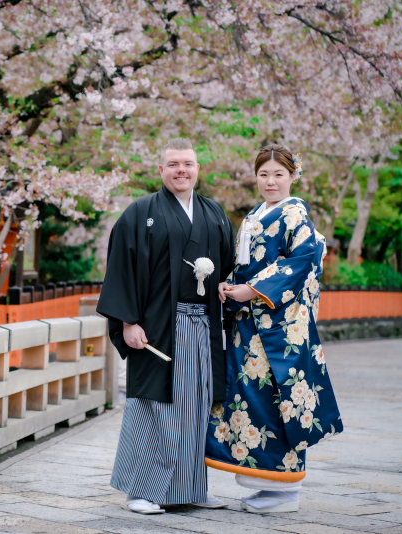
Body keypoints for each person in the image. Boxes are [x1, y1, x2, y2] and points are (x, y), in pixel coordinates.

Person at [97, 138, 235, 513]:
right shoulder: (140, 213)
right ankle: (140, 490)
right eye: (173, 164)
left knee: (197, 405)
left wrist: (224, 285)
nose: (181, 171)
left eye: (188, 163)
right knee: (153, 406)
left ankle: (191, 488)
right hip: (157, 327)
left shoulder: (214, 213)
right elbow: (121, 269)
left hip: (202, 326)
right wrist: (128, 321)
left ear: (197, 168)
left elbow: (227, 267)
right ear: (161, 170)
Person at [205, 144, 344, 513]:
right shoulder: (255, 215)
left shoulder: (296, 214)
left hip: (278, 329)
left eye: (278, 174)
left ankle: (285, 491)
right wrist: (230, 285)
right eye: (263, 174)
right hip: (251, 326)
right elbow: (244, 265)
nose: (270, 181)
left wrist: (250, 290)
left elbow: (302, 262)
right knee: (252, 401)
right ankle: (266, 486)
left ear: (292, 176)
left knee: (279, 401)